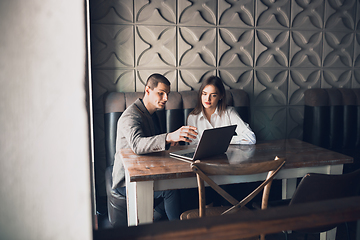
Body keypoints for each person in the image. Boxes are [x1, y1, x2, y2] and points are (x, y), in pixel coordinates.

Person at [112, 73, 197, 221]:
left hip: (147, 171)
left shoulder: (151, 114)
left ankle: (159, 215)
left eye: (167, 94)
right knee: (170, 191)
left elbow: (151, 144)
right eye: (161, 93)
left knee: (189, 187)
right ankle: (178, 233)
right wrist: (169, 136)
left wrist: (168, 143)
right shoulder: (130, 116)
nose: (166, 98)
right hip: (126, 180)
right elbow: (138, 145)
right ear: (147, 90)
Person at [187, 76, 256, 145]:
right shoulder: (192, 117)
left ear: (221, 96)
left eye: (213, 95)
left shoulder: (229, 112)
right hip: (203, 155)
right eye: (204, 94)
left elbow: (251, 138)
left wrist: (223, 140)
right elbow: (192, 146)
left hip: (227, 154)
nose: (207, 99)